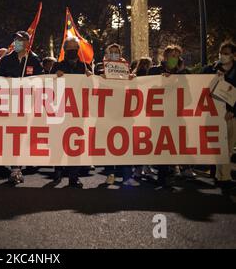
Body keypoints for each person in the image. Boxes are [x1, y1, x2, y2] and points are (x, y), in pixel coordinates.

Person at [0, 31, 44, 185]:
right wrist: (6, 81)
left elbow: (42, 79)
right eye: (15, 39)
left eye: (20, 40)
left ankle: (18, 167)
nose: (17, 42)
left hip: (27, 105)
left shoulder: (34, 60)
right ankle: (14, 166)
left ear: (27, 43)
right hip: (9, 104)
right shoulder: (6, 60)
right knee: (11, 136)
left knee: (23, 136)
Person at [50, 37, 93, 188]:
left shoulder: (85, 67)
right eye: (69, 48)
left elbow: (92, 88)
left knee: (75, 143)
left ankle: (74, 177)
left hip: (78, 112)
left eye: (75, 48)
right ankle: (58, 170)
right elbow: (48, 85)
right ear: (64, 50)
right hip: (61, 110)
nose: (72, 51)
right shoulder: (57, 66)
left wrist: (90, 78)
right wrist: (56, 76)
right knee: (59, 141)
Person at [148, 45, 191, 188]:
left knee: (172, 147)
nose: (175, 58)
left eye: (177, 56)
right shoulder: (154, 71)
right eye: (172, 55)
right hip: (158, 116)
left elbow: (188, 97)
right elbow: (146, 89)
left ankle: (169, 176)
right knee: (160, 147)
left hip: (175, 116)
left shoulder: (184, 74)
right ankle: (161, 178)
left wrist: (180, 74)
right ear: (165, 57)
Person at [100, 44, 140, 187]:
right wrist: (101, 79)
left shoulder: (125, 69)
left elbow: (132, 88)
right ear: (107, 54)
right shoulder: (101, 69)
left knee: (125, 144)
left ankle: (127, 176)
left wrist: (132, 79)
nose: (114, 54)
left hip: (124, 111)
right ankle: (110, 173)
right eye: (112, 52)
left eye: (117, 52)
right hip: (109, 112)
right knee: (110, 144)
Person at [202, 41, 236, 189]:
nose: (223, 56)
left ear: (234, 55)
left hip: (230, 115)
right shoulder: (212, 68)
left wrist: (234, 111)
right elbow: (197, 81)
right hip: (214, 114)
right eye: (221, 53)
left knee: (228, 147)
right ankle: (220, 175)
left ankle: (224, 177)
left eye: (227, 53)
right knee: (217, 146)